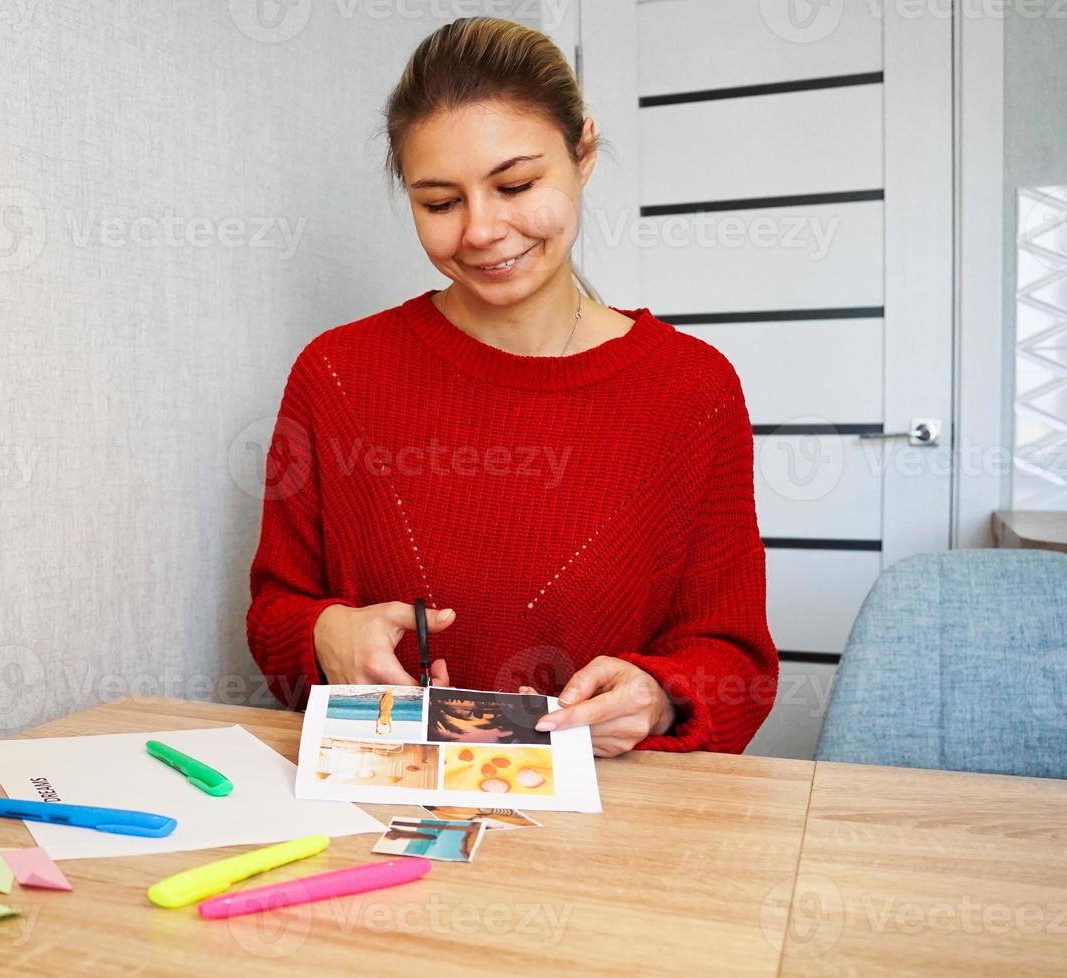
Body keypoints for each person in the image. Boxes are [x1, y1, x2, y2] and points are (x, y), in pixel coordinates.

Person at [245, 17, 778, 756]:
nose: (483, 230)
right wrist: (327, 634)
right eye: (440, 203)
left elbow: (735, 662)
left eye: (517, 185)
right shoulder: (335, 374)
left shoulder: (694, 390)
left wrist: (658, 697)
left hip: (611, 836)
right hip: (382, 809)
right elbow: (275, 615)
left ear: (583, 152)